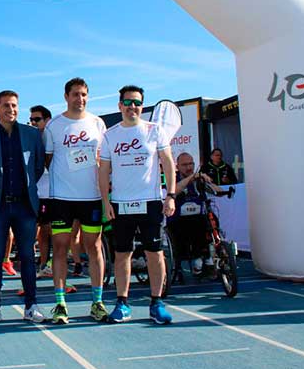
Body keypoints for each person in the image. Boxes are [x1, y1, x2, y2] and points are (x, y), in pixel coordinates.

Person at [98, 85, 176, 325]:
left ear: (142, 106)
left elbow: (168, 163)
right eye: (128, 102)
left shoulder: (155, 131)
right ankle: (122, 303)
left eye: (137, 103)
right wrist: (105, 201)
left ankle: (157, 302)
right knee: (122, 254)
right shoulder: (110, 135)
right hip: (121, 205)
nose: (133, 107)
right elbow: (103, 171)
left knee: (155, 253)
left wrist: (170, 195)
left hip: (151, 203)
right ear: (120, 105)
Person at [0, 90, 46, 325]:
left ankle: (31, 305)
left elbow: (36, 168)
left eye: (14, 105)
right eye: (6, 105)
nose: (11, 109)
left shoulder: (32, 135)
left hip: (25, 206)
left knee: (27, 256)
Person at [43, 78, 109, 324]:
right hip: (62, 198)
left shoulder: (97, 123)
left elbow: (104, 158)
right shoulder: (54, 126)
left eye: (83, 95)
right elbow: (47, 161)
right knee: (60, 248)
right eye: (75, 95)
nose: (79, 99)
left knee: (94, 248)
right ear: (66, 96)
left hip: (91, 197)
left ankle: (97, 302)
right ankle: (60, 304)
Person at [169, 152, 223, 281]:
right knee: (190, 225)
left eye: (191, 164)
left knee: (211, 220)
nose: (189, 167)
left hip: (198, 217)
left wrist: (210, 183)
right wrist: (191, 177)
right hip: (178, 219)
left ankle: (210, 256)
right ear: (177, 166)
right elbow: (174, 191)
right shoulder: (173, 178)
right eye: (185, 165)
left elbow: (217, 191)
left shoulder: (200, 178)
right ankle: (196, 260)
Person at [29, 105, 53, 280]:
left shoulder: (53, 136)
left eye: (37, 119)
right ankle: (42, 264)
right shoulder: (32, 138)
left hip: (52, 193)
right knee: (36, 232)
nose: (33, 123)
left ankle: (49, 264)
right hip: (36, 193)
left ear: (47, 120)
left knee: (50, 231)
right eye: (31, 120)